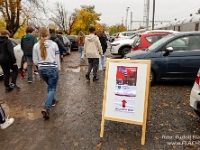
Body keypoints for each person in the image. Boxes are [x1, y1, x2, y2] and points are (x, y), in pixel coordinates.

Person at [33, 27, 60, 120]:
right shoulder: (54, 45)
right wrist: (58, 69)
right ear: (48, 34)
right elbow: (57, 59)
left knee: (49, 86)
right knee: (52, 88)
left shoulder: (36, 46)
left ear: (39, 35)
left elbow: (35, 61)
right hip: (52, 69)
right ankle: (46, 108)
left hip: (41, 70)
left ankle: (53, 100)